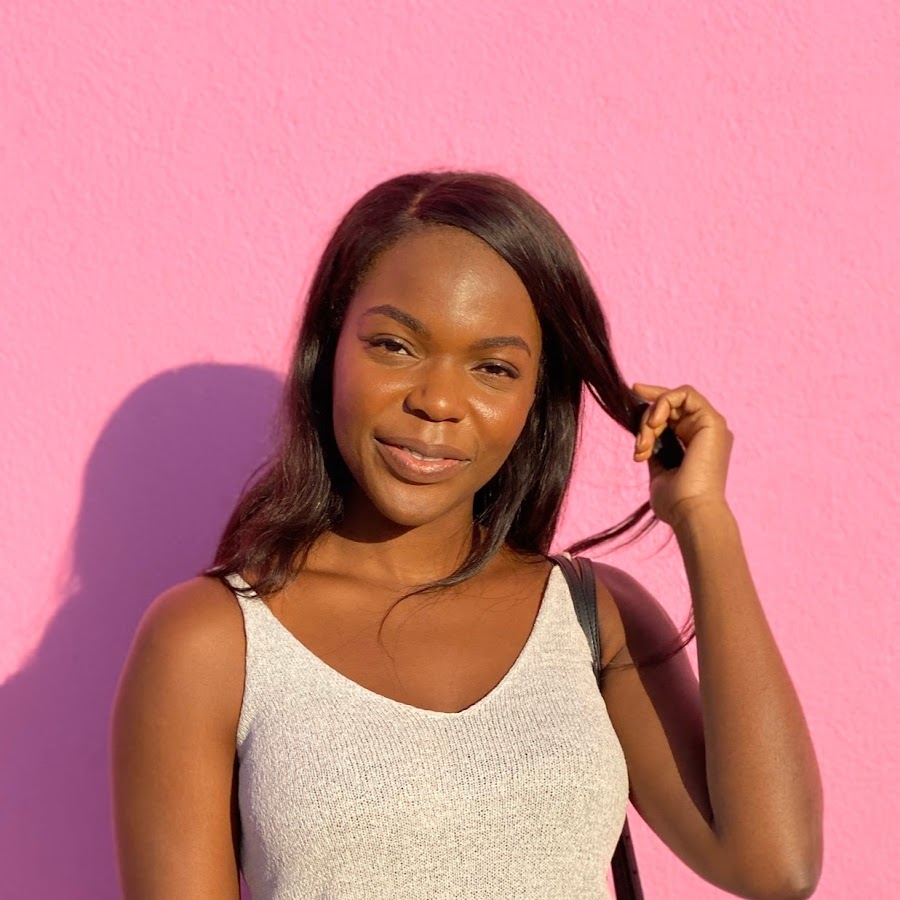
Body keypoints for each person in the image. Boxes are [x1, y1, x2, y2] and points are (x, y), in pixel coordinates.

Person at [110, 171, 823, 899]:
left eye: (493, 367)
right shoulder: (210, 640)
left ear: (535, 398)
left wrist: (703, 518)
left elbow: (776, 867)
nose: (439, 401)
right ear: (330, 351)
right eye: (394, 346)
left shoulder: (591, 619)